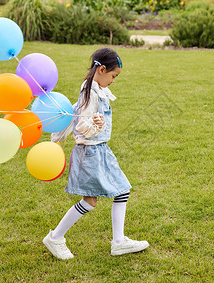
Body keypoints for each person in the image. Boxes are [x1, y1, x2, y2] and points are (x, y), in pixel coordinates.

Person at [43, 48, 149, 260]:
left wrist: (90, 126)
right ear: (101, 69)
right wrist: (95, 124)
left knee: (122, 191)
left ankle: (118, 242)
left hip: (101, 150)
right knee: (90, 201)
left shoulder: (94, 89)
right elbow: (82, 123)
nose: (113, 80)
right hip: (89, 153)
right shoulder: (90, 93)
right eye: (113, 76)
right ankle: (55, 237)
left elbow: (73, 112)